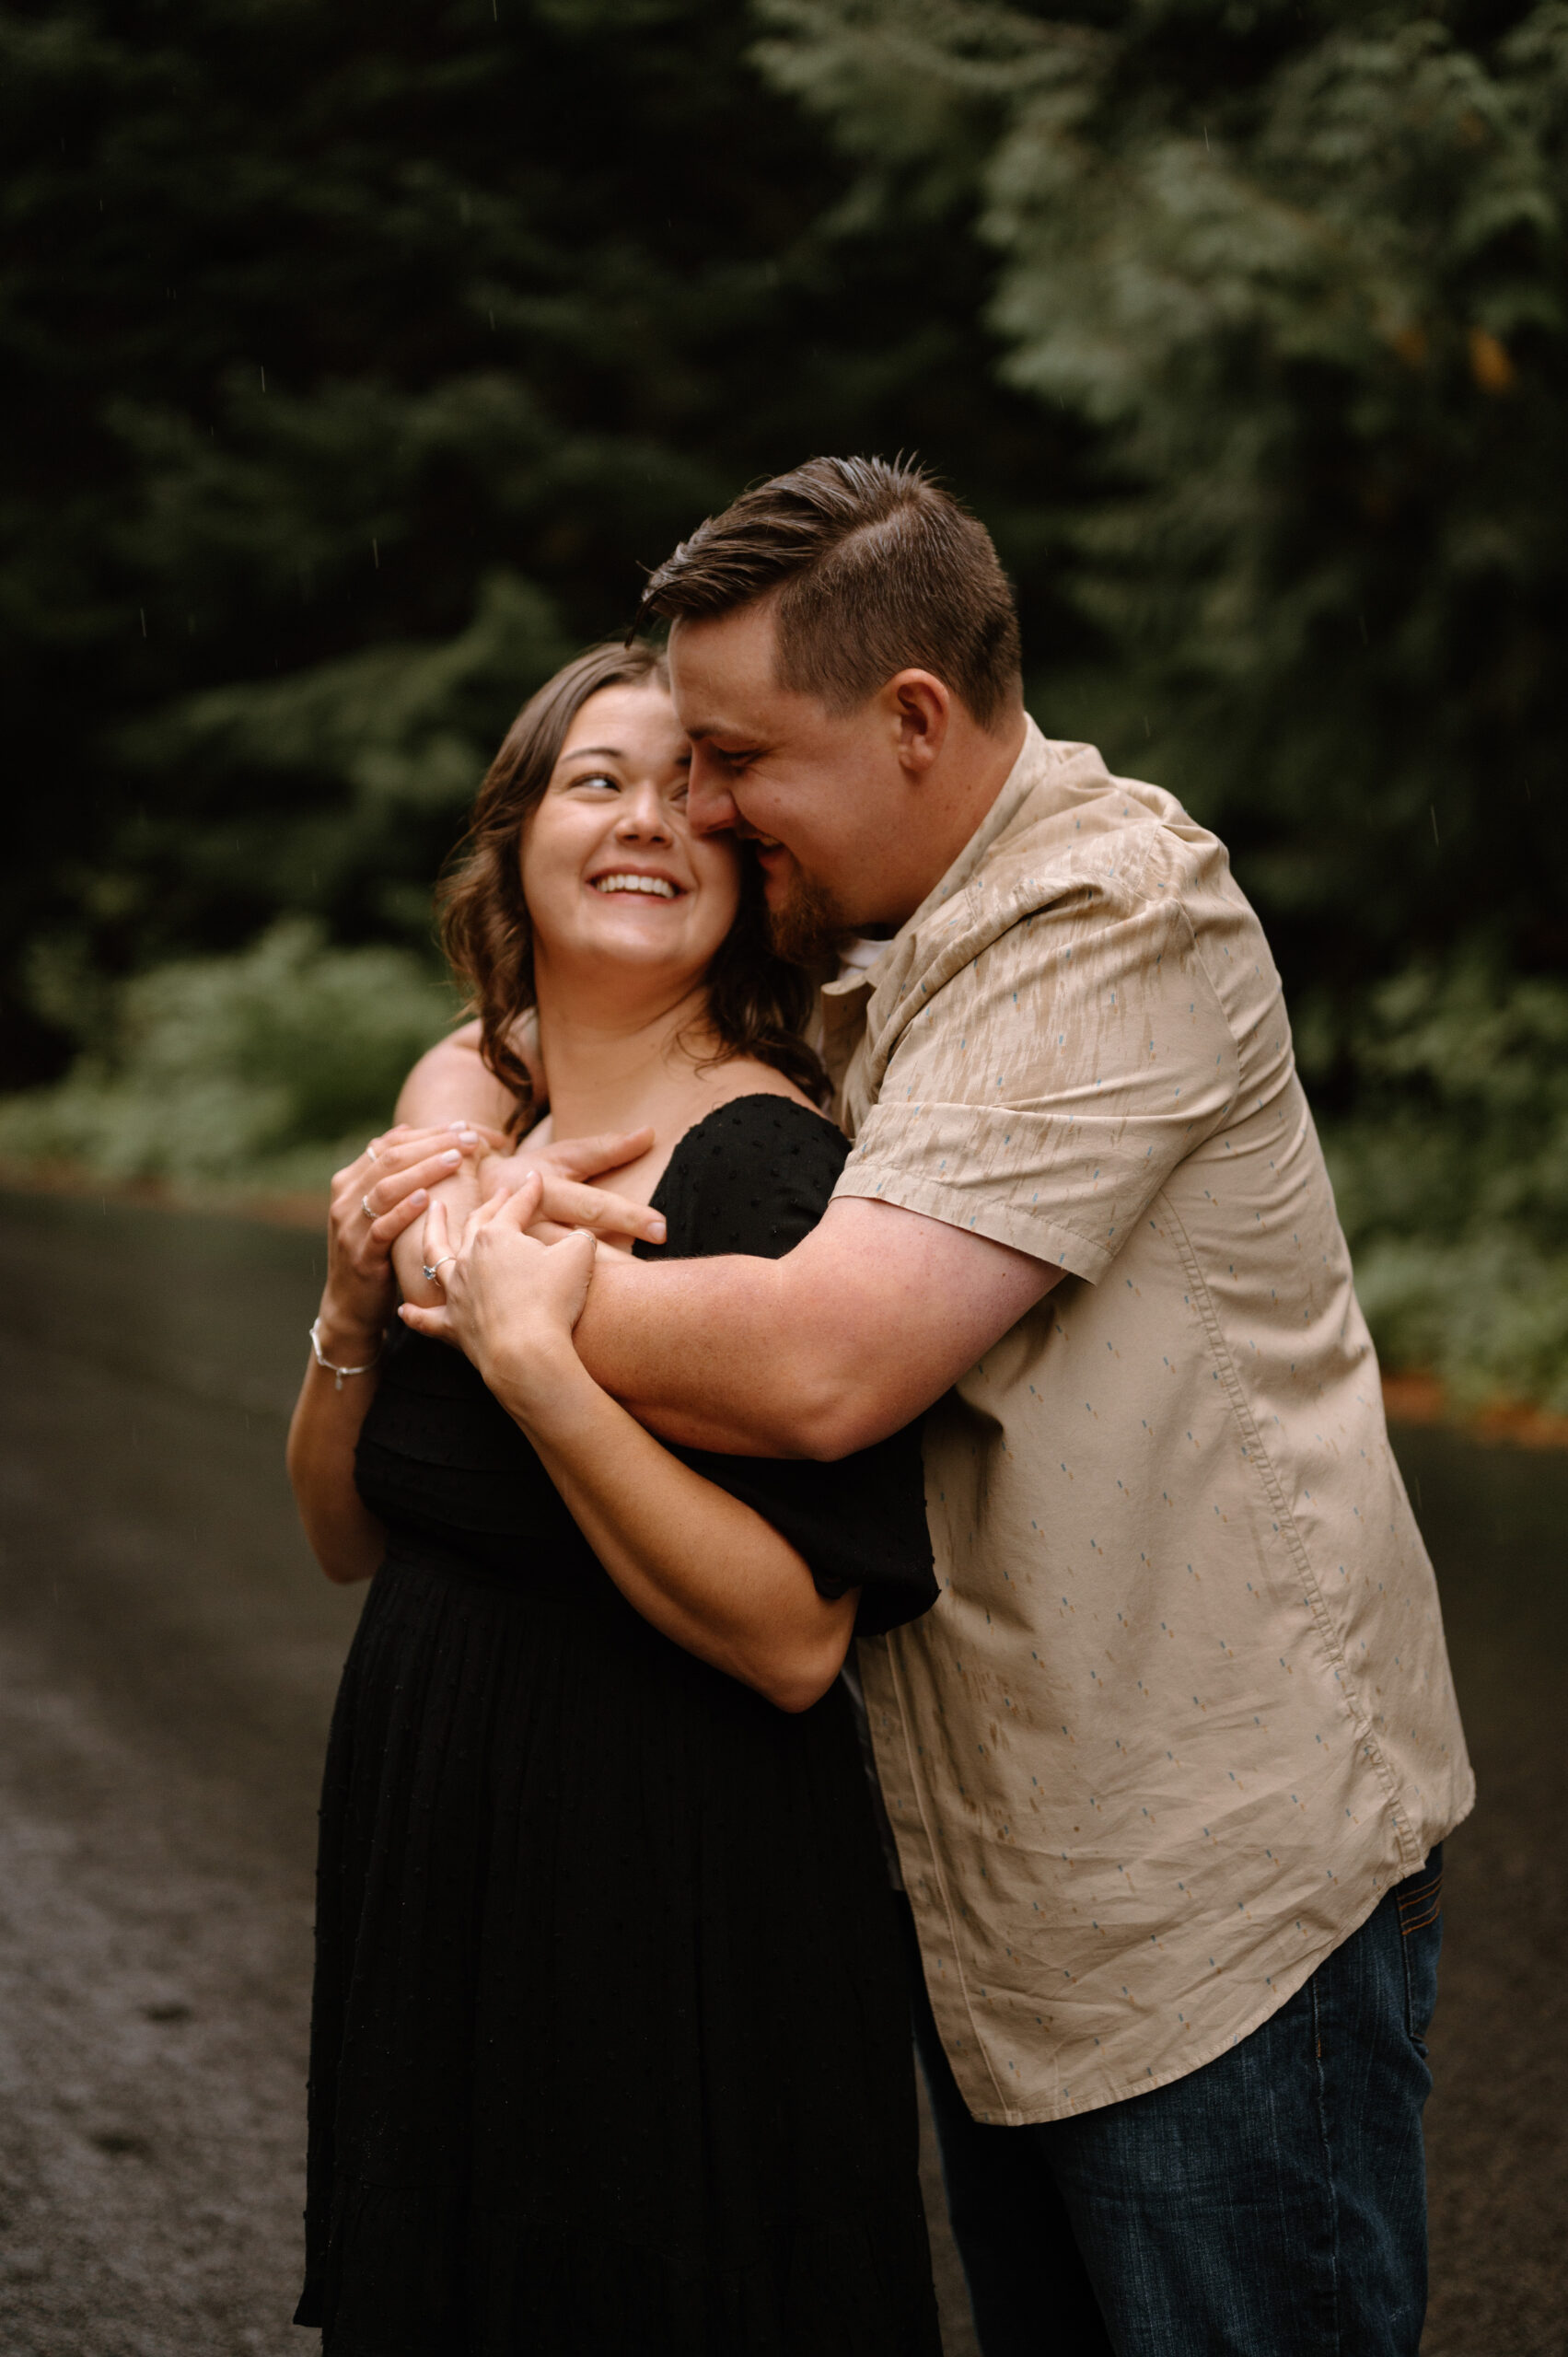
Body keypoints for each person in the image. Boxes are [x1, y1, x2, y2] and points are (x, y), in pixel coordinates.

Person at [398, 459, 1474, 2357]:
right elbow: (542, 1024)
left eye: (735, 755)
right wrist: (450, 1134)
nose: (706, 804)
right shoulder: (891, 934)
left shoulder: (1105, 914)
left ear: (912, 721)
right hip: (1005, 1900)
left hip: (1207, 1894)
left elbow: (830, 1364)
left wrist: (515, 1292)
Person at [285, 638, 943, 2356]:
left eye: (691, 796)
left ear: (747, 872)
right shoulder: (481, 1130)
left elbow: (800, 1643)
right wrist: (352, 1313)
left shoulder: (770, 1163)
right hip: (439, 1846)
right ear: (515, 839)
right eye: (598, 781)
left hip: (665, 1884)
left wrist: (540, 1368)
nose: (646, 821)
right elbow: (345, 1533)